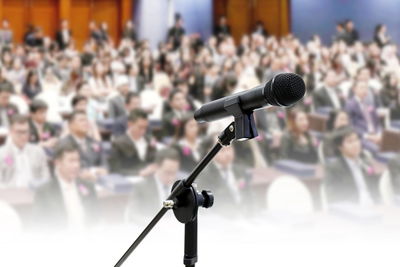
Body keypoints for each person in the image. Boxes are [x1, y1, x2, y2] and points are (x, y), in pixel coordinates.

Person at [34, 143, 98, 230]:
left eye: (78, 160)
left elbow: (97, 219)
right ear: (58, 163)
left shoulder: (88, 187)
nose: (76, 165)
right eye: (71, 161)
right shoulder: (44, 192)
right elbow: (40, 227)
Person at [324, 126, 380, 205]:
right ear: (340, 147)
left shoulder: (367, 163)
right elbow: (333, 198)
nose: (355, 144)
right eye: (350, 142)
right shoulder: (334, 169)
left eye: (356, 140)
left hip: (373, 206)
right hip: (353, 210)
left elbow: (376, 190)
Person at [125, 148, 180, 222]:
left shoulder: (181, 187)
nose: (171, 178)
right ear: (156, 167)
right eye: (167, 172)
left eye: (174, 173)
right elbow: (133, 216)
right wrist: (157, 224)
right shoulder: (141, 187)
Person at [197, 145, 250, 217]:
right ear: (210, 152)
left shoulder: (240, 170)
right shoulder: (204, 175)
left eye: (229, 149)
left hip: (247, 216)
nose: (228, 154)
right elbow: (207, 208)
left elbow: (250, 196)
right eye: (222, 150)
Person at [0, 115, 50, 187]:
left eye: (26, 132)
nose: (23, 136)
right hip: (10, 193)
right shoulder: (2, 153)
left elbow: (45, 177)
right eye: (19, 132)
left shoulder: (38, 152)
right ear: (11, 132)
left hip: (35, 193)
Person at [57, 111, 107, 181]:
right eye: (81, 120)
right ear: (71, 125)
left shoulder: (94, 142)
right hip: (74, 182)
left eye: (86, 120)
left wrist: (103, 170)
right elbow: (62, 168)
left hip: (98, 180)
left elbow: (104, 163)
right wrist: (80, 174)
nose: (85, 123)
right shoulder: (63, 144)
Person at [109, 109, 157, 177]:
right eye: (140, 127)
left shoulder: (150, 140)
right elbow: (115, 170)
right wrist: (138, 173)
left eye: (145, 128)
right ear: (130, 124)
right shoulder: (118, 143)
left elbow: (154, 160)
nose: (143, 131)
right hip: (130, 180)